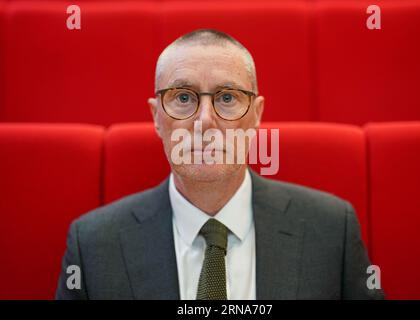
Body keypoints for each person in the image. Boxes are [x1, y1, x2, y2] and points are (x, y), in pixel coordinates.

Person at [56, 29, 384, 300]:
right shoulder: (94, 244)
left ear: (256, 115)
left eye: (227, 98)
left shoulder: (331, 229)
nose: (205, 121)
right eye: (183, 97)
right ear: (156, 117)